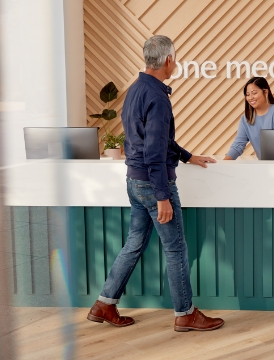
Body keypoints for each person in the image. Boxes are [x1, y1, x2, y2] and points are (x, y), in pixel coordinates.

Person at [87, 35, 224, 332]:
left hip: (135, 182)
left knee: (134, 244)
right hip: (154, 184)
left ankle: (104, 303)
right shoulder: (158, 97)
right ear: (169, 60)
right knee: (175, 249)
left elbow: (157, 141)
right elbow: (154, 150)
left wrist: (188, 157)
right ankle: (185, 313)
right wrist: (162, 195)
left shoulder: (136, 90)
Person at [224, 77, 274, 160]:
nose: (250, 97)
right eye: (247, 94)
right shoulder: (245, 118)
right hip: (264, 166)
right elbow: (238, 146)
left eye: (254, 93)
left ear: (265, 92)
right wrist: (223, 164)